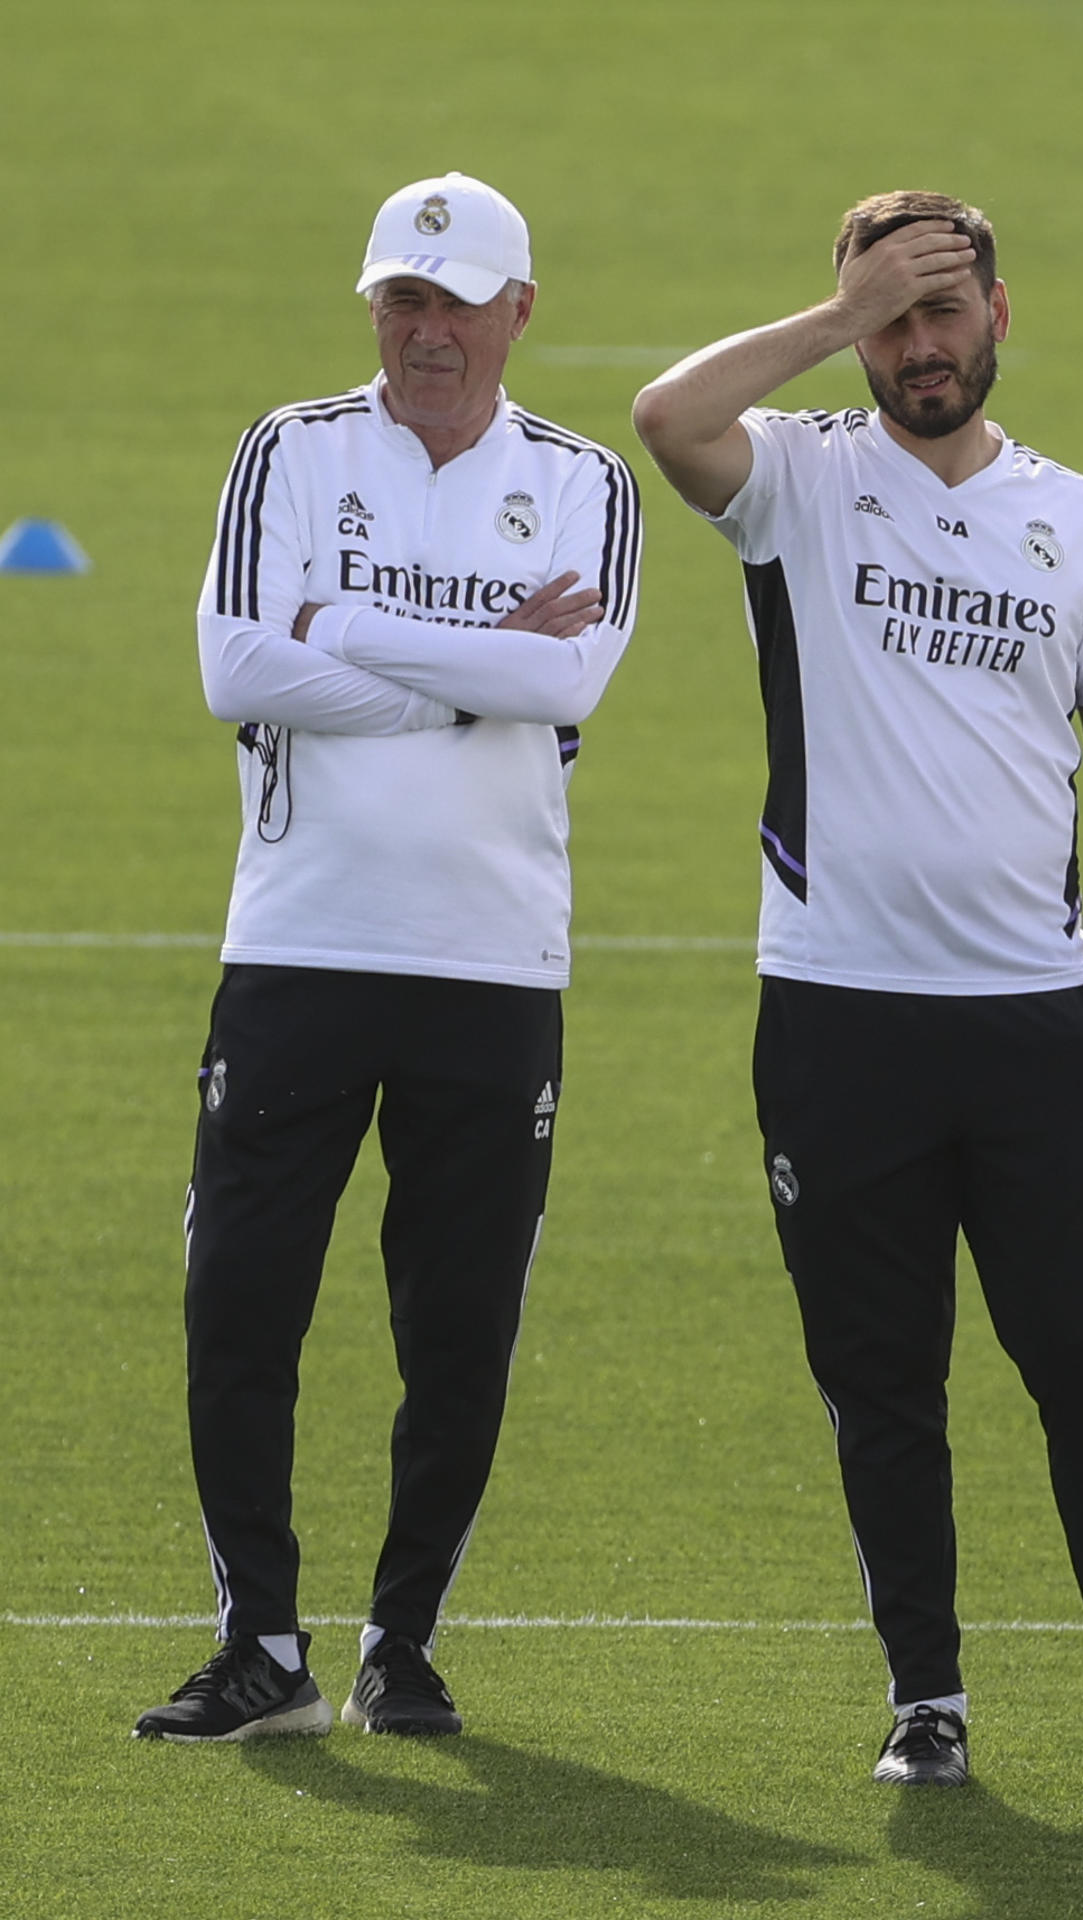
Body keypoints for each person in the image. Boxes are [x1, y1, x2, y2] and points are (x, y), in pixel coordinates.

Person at [632, 190, 1083, 1787]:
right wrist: (834, 314)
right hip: (839, 1017)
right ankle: (929, 1702)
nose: (922, 349)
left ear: (1001, 318)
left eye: (944, 312)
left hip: (1045, 1029)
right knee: (881, 1382)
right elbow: (665, 417)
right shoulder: (795, 481)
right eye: (893, 318)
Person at [134, 172, 641, 1743]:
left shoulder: (583, 482)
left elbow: (575, 678)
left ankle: (400, 1643)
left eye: (456, 302)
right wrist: (477, 666)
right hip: (298, 946)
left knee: (462, 1318)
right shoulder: (288, 449)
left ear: (518, 312)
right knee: (242, 1300)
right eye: (401, 302)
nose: (426, 331)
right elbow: (234, 665)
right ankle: (263, 1646)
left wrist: (343, 628)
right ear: (376, 308)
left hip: (494, 964)